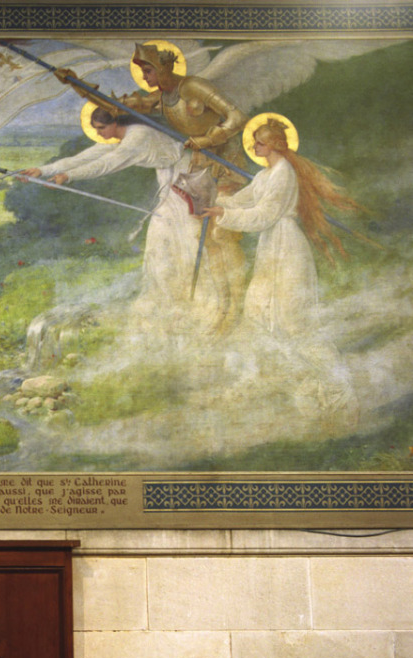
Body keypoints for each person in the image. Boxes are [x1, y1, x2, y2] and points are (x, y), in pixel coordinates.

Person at [203, 116, 363, 417]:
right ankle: (303, 384)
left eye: (259, 142)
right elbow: (244, 200)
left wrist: (223, 212)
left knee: (295, 323)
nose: (253, 146)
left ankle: (341, 390)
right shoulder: (265, 176)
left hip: (287, 249)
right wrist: (217, 198)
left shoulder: (284, 174)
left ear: (275, 145)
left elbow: (264, 215)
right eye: (254, 142)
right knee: (258, 313)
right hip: (270, 248)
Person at [22, 105, 221, 324]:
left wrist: (68, 176)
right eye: (96, 128)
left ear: (115, 123)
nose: (99, 133)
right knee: (160, 240)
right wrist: (43, 170)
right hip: (170, 180)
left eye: (102, 127)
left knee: (184, 238)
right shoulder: (120, 138)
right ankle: (167, 297)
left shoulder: (138, 137)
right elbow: (85, 157)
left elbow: (107, 164)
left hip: (189, 179)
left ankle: (196, 298)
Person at [123, 42, 250, 324]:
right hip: (200, 170)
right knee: (205, 241)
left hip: (225, 165)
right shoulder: (162, 97)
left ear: (162, 68)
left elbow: (238, 117)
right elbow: (119, 105)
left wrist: (207, 140)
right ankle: (221, 308)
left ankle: (237, 309)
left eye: (147, 70)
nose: (144, 77)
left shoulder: (194, 87)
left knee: (221, 236)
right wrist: (79, 85)